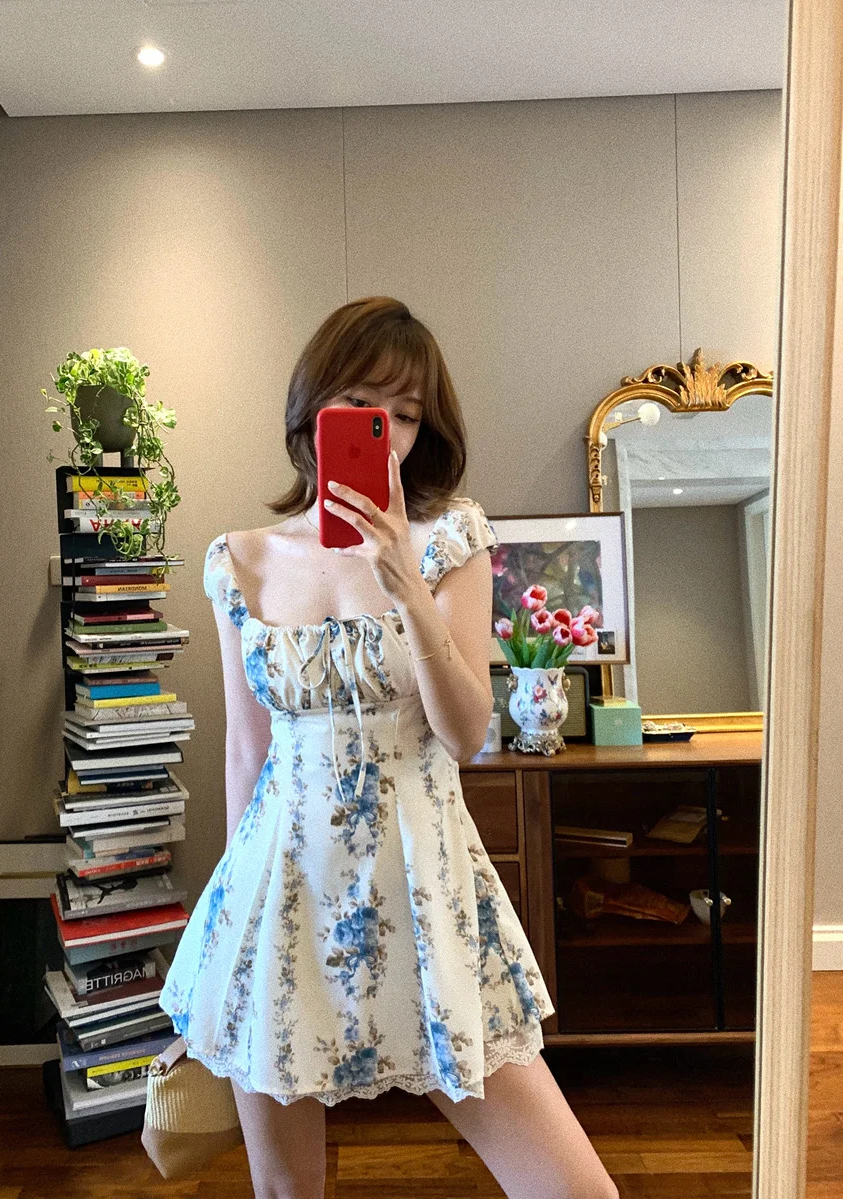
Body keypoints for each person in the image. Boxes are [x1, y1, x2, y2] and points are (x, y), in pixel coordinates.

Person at [159, 297, 617, 1199]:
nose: (390, 432)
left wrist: (405, 583)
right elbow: (246, 758)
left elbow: (467, 731)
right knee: (287, 1191)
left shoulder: (452, 539)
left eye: (406, 414)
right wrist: (221, 947)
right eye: (364, 406)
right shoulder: (239, 561)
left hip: (426, 888)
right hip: (278, 897)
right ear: (314, 408)